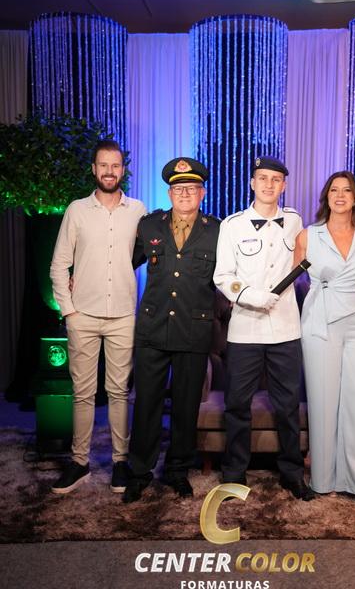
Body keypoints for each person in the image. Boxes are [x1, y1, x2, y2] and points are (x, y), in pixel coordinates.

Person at [213, 156, 314, 500]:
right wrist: (254, 297)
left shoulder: (295, 221)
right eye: (263, 178)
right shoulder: (232, 225)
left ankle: (292, 473)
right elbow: (223, 276)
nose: (269, 185)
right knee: (237, 404)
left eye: (275, 179)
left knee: (288, 406)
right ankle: (234, 474)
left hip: (286, 329)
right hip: (245, 329)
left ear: (283, 185)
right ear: (252, 183)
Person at [49, 139, 147, 494]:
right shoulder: (77, 210)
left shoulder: (138, 211)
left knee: (119, 392)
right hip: (83, 314)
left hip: (122, 314)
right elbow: (59, 264)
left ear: (123, 170)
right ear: (94, 169)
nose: (109, 171)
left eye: (115, 165)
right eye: (103, 165)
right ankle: (80, 462)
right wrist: (69, 311)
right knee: (83, 393)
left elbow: (144, 253)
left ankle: (120, 462)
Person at [123, 157, 220, 503]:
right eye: (179, 189)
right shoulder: (149, 226)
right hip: (153, 327)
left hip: (194, 329)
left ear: (202, 193)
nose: (185, 194)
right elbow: (120, 264)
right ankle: (139, 472)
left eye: (192, 188)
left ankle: (178, 470)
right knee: (146, 404)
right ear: (169, 193)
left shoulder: (217, 231)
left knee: (185, 405)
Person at [294, 170, 355, 511]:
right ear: (326, 197)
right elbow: (292, 280)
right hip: (321, 323)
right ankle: (324, 479)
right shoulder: (309, 235)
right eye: (334, 190)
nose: (340, 195)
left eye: (347, 190)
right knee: (323, 401)